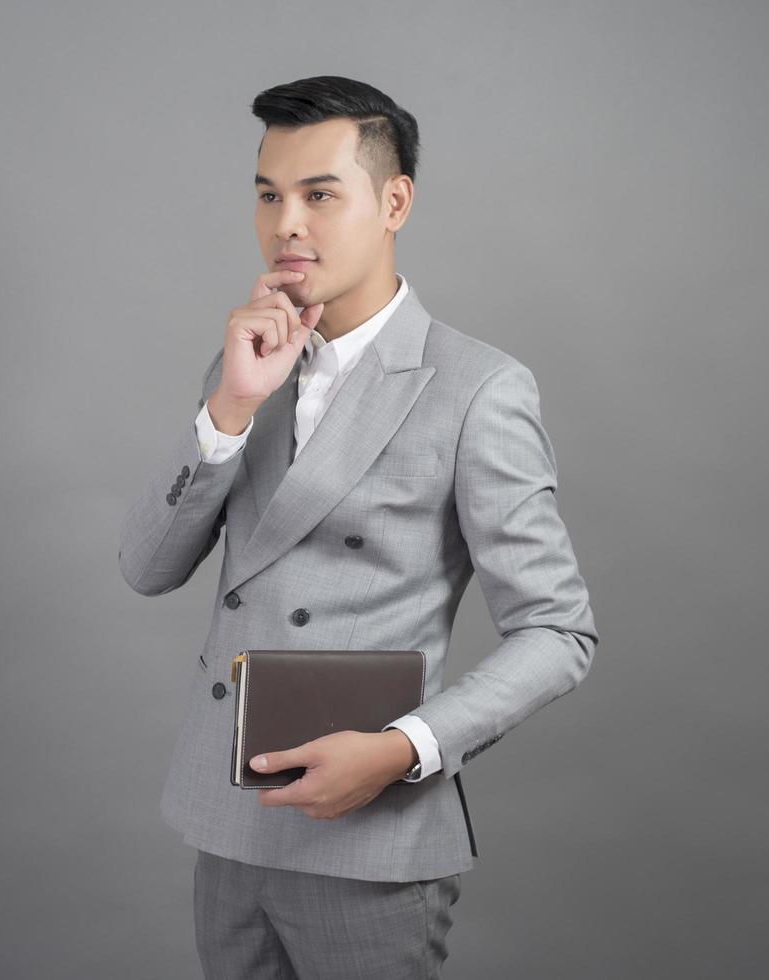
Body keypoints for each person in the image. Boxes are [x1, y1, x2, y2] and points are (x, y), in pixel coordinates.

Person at [118, 75, 599, 979]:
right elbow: (146, 568)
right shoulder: (244, 366)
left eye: (319, 194)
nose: (286, 223)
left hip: (369, 835)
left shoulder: (475, 387)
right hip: (230, 820)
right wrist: (227, 408)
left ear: (394, 202)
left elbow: (559, 633)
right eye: (268, 195)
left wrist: (399, 751)